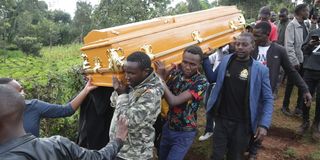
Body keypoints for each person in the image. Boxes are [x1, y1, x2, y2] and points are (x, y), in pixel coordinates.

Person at [0, 84, 128, 160]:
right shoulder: (57, 145)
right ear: (24, 110)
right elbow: (98, 157)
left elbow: (66, 110)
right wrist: (118, 140)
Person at [202, 32, 273, 160]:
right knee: (216, 155)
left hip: (243, 123)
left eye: (244, 45)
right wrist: (205, 59)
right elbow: (213, 78)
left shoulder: (261, 70)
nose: (240, 47)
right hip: (221, 119)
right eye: (237, 44)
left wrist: (264, 124)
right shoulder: (226, 61)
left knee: (235, 156)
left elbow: (268, 99)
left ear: (252, 46)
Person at [248, 21, 312, 160]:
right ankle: (245, 146)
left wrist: (305, 89)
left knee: (261, 123)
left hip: (266, 94)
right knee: (247, 121)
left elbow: (291, 71)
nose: (255, 38)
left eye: (257, 35)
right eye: (253, 35)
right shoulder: (251, 48)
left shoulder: (279, 50)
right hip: (248, 93)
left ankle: (254, 151)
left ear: (267, 35)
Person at [154, 45, 208, 160]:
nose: (187, 67)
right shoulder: (176, 74)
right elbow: (163, 94)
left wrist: (160, 78)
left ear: (200, 64)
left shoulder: (201, 82)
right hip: (168, 127)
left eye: (192, 64)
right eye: (185, 62)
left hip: (184, 133)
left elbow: (174, 101)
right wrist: (164, 75)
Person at [109, 51, 164, 160]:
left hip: (135, 155)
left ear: (146, 72)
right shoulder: (135, 83)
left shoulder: (151, 93)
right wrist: (120, 93)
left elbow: (128, 122)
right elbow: (113, 102)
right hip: (120, 149)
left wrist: (122, 95)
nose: (127, 77)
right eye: (126, 72)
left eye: (131, 73)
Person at [0, 77, 97, 137]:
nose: (22, 94)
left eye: (21, 90)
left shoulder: (34, 106)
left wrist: (86, 90)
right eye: (17, 91)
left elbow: (67, 110)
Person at [198, 44, 233, 141]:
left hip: (222, 87)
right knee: (207, 105)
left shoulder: (231, 57)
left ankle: (213, 130)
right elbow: (211, 60)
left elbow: (212, 77)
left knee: (215, 109)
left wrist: (204, 58)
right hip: (213, 85)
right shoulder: (223, 50)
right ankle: (210, 128)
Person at [283, 4, 310, 117]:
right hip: (295, 61)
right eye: (307, 11)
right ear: (301, 12)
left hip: (304, 60)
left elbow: (303, 44)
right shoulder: (292, 25)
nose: (309, 13)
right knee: (290, 83)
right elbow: (289, 45)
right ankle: (285, 106)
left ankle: (299, 107)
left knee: (302, 84)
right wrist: (294, 61)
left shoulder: (305, 25)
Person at [300, 26, 320, 138]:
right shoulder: (313, 32)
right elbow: (304, 50)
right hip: (310, 69)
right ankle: (305, 121)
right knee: (306, 96)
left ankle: (316, 124)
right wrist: (310, 45)